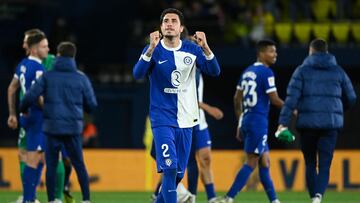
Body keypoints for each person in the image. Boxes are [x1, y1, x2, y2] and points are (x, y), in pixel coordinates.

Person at [133, 8, 220, 203]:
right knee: (170, 169)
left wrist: (206, 47)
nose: (169, 23)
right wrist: (149, 49)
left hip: (187, 120)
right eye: (165, 21)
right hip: (162, 119)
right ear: (161, 27)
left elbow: (215, 71)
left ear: (181, 28)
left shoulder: (192, 49)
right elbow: (137, 74)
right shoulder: (153, 49)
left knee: (178, 173)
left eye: (173, 21)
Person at [277, 39, 356, 203]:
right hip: (331, 124)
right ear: (326, 51)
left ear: (310, 51)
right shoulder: (338, 71)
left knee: (310, 163)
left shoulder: (301, 71)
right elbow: (352, 97)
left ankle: (313, 197)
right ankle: (318, 197)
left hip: (307, 124)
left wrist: (283, 123)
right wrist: (338, 109)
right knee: (325, 164)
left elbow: (291, 100)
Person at [20, 42, 97, 203]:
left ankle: (52, 200)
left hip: (52, 129)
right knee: (79, 164)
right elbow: (92, 105)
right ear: (73, 57)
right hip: (73, 129)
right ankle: (86, 199)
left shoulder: (48, 76)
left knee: (52, 165)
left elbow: (30, 96)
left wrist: (23, 108)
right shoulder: (81, 78)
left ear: (59, 55)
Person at [215, 39, 284, 203]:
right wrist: (291, 108)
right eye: (271, 51)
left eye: (275, 51)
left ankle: (274, 200)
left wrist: (240, 122)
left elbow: (236, 98)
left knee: (265, 162)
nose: (275, 55)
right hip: (258, 120)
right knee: (252, 162)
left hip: (247, 119)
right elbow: (274, 100)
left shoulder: (247, 71)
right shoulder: (267, 72)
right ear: (261, 53)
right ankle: (228, 197)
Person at [7, 31, 49, 203]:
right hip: (37, 118)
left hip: (25, 117)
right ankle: (29, 199)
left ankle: (28, 196)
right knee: (35, 159)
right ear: (34, 49)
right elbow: (37, 96)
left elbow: (11, 88)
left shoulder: (22, 65)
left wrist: (12, 114)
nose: (48, 49)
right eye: (44, 47)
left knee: (27, 156)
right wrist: (52, 110)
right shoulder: (39, 68)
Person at [186, 69, 224, 203]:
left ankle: (211, 197)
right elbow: (187, 98)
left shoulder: (198, 69)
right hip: (185, 123)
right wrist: (209, 108)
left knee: (206, 159)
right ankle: (159, 194)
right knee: (184, 163)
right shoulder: (183, 66)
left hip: (200, 123)